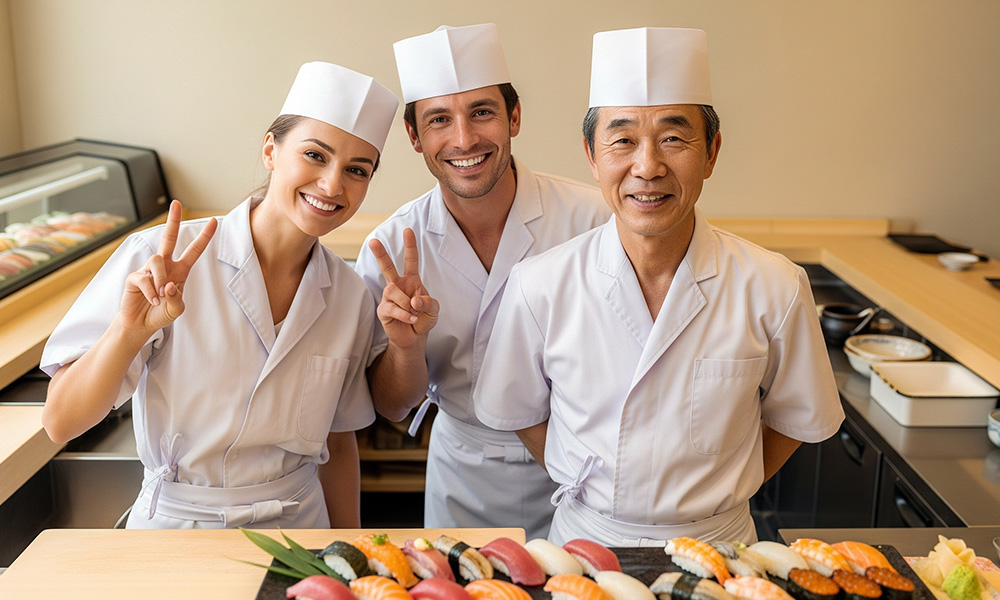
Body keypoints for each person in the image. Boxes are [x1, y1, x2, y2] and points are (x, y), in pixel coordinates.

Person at [474, 27, 845, 545]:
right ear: (592, 154)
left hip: (721, 546)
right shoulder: (540, 285)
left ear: (712, 152)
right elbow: (521, 412)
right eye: (623, 140)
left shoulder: (773, 285)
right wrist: (598, 487)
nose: (647, 166)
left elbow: (797, 417)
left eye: (674, 138)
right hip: (586, 543)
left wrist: (713, 494)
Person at [39, 61, 399, 529]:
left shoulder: (350, 296)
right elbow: (60, 422)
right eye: (315, 155)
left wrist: (349, 555)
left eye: (357, 169)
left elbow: (338, 439)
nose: (333, 185)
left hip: (300, 529)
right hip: (178, 530)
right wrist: (128, 333)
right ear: (271, 150)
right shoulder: (158, 259)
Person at [354, 23, 611, 539]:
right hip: (463, 471)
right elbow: (389, 405)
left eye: (482, 112)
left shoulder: (595, 220)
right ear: (414, 136)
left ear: (514, 117)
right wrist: (407, 347)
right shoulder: (393, 247)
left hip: (589, 470)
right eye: (439, 120)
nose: (464, 139)